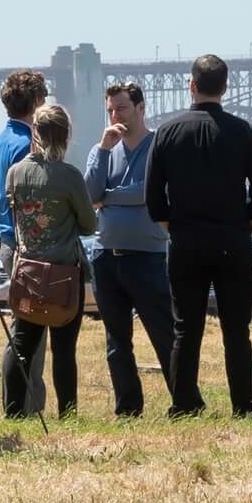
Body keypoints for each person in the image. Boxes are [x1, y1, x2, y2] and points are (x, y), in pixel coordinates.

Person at [145, 54, 252, 417]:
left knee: (186, 328)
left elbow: (153, 196)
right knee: (237, 330)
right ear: (226, 87)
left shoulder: (167, 132)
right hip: (232, 241)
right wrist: (250, 223)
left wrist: (172, 225)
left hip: (185, 241)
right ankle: (244, 407)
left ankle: (183, 404)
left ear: (192, 85)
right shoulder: (242, 131)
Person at [83, 78, 177, 415]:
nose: (115, 115)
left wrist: (111, 197)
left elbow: (151, 194)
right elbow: (90, 195)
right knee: (116, 341)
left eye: (121, 108)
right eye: (110, 109)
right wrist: (104, 151)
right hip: (106, 256)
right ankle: (128, 407)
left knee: (163, 333)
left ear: (140, 107)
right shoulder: (102, 150)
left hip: (148, 256)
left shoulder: (159, 146)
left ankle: (183, 400)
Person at [1, 104, 94, 419]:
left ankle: (14, 411)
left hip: (27, 269)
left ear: (35, 134)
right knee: (64, 348)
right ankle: (67, 413)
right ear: (66, 135)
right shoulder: (69, 176)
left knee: (23, 344)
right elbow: (89, 224)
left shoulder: (16, 173)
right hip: (64, 272)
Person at [0, 70, 49, 261]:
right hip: (27, 241)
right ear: (36, 100)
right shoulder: (28, 144)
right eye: (44, 98)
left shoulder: (0, 142)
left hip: (6, 237)